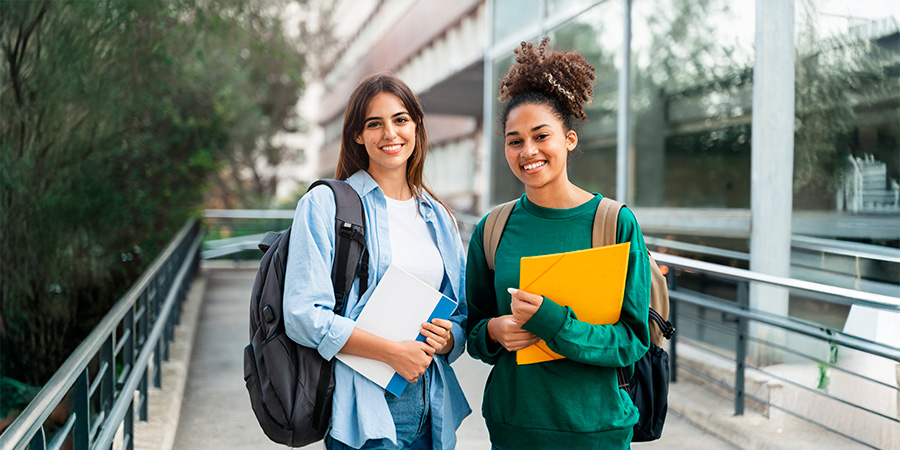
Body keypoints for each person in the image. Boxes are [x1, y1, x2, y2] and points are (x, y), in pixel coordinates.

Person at [465, 38, 651, 450]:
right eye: (515, 141)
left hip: (595, 430)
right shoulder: (492, 229)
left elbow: (632, 341)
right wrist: (493, 332)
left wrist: (555, 323)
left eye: (540, 136)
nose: (528, 151)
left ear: (568, 140)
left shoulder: (614, 223)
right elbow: (474, 328)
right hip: (514, 427)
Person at [283, 72, 471, 450]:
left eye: (401, 119)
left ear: (417, 127)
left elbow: (461, 313)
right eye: (375, 123)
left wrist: (450, 337)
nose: (390, 133)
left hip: (431, 407)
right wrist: (391, 352)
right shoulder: (325, 205)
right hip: (361, 406)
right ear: (357, 134)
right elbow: (303, 314)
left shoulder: (440, 217)